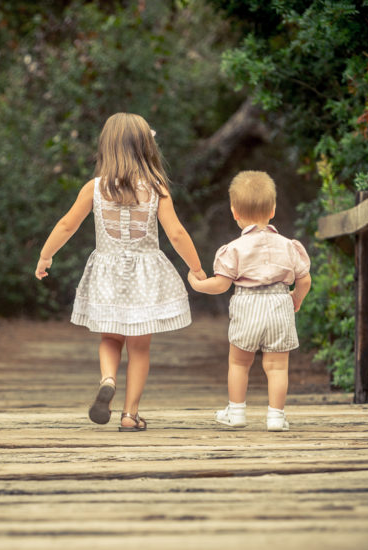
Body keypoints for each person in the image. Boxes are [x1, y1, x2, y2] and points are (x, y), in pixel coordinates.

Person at [35, 113, 206, 432]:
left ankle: (108, 379)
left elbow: (66, 224)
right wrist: (196, 269)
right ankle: (130, 415)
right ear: (146, 148)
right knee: (139, 348)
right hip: (144, 277)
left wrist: (46, 256)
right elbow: (177, 234)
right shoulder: (156, 188)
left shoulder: (94, 188)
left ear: (107, 147)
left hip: (107, 274)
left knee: (110, 337)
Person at [187, 170, 311, 431]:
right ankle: (276, 416)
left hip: (248, 304)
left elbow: (221, 285)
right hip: (279, 303)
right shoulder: (288, 246)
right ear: (273, 209)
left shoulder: (234, 249)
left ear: (235, 213)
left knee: (239, 363)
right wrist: (296, 299)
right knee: (277, 367)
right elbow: (305, 279)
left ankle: (236, 412)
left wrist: (198, 284)